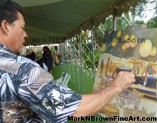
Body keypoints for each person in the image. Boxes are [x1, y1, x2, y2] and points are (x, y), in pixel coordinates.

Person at [0, 0, 135, 123]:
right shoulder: (21, 69)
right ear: (6, 26)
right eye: (22, 27)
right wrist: (116, 86)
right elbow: (76, 110)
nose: (26, 34)